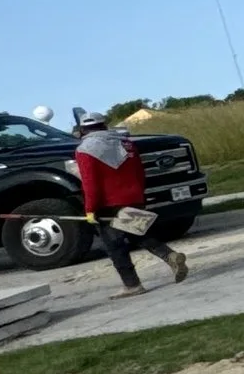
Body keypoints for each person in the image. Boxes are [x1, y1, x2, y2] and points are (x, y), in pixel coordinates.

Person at [73, 122, 189, 290]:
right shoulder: (126, 143)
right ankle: (171, 256)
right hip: (133, 196)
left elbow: (91, 183)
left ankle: (132, 285)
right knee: (137, 234)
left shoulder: (85, 149)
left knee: (115, 246)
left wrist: (90, 209)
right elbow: (139, 172)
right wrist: (139, 195)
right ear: (104, 126)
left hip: (109, 204)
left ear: (83, 130)